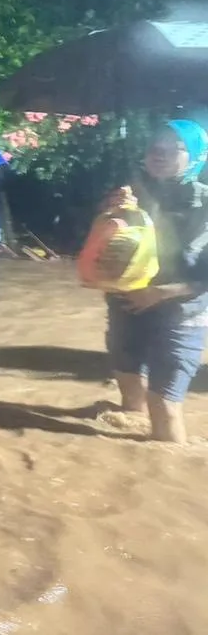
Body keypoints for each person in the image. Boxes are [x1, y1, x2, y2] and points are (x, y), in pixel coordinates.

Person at [104, 120, 208, 444]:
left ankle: (173, 461)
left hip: (180, 315)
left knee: (164, 406)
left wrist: (162, 292)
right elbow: (104, 250)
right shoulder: (130, 195)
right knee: (130, 394)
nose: (159, 154)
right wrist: (111, 215)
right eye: (154, 147)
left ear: (196, 156)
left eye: (173, 148)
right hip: (125, 305)